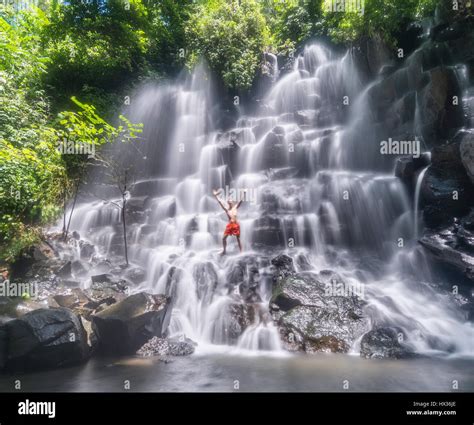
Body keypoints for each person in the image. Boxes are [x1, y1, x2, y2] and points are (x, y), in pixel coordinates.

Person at [213, 189, 244, 255]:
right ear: (228, 203)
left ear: (232, 202)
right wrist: (216, 196)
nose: (229, 201)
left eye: (230, 200)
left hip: (236, 224)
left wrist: (244, 193)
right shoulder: (227, 210)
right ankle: (224, 251)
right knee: (223, 238)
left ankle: (241, 252)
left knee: (238, 239)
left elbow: (241, 201)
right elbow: (220, 202)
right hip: (230, 225)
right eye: (228, 201)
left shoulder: (235, 207)